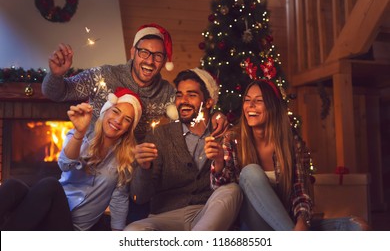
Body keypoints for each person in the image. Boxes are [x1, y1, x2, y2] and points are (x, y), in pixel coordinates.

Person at [205, 80, 370, 231]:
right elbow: (224, 193)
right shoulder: (233, 139)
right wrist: (219, 162)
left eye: (259, 101)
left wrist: (302, 221)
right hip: (251, 228)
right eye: (247, 100)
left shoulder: (291, 142)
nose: (251, 106)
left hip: (283, 223)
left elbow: (300, 189)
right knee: (250, 172)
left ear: (273, 106)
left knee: (358, 227)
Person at [42, 23, 227, 142]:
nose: (149, 61)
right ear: (133, 52)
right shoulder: (104, 75)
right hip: (89, 157)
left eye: (157, 56)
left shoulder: (166, 93)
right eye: (144, 52)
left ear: (163, 61)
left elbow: (191, 111)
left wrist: (216, 115)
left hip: (127, 169)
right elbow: (57, 93)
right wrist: (55, 75)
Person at [0, 87, 142, 231]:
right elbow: (65, 164)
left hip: (70, 228)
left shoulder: (126, 158)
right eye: (115, 112)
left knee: (51, 185)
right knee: (13, 186)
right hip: (49, 212)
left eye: (127, 120)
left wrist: (118, 237)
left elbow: (119, 199)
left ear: (129, 128)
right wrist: (79, 133)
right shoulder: (81, 135)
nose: (118, 120)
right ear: (106, 112)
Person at [124, 68, 242, 231]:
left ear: (208, 102)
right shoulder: (160, 135)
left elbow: (232, 188)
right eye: (179, 95)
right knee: (133, 231)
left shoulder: (224, 136)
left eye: (191, 95)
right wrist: (144, 169)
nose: (183, 101)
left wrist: (220, 161)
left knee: (232, 191)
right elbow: (140, 197)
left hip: (207, 214)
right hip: (165, 217)